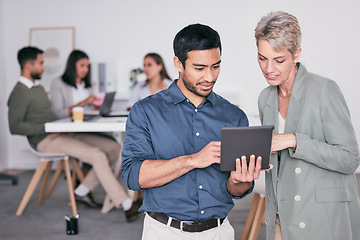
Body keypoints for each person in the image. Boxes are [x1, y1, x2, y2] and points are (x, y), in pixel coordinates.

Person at [121, 24, 267, 239]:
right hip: (164, 232)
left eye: (215, 66)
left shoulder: (234, 116)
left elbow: (238, 190)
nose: (209, 76)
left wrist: (238, 181)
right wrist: (193, 160)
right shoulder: (145, 111)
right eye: (199, 68)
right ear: (178, 64)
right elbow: (133, 176)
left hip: (219, 232)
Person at [255, 11, 360, 240]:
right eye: (262, 58)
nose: (269, 68)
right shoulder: (266, 98)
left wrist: (294, 140)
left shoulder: (324, 90)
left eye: (279, 60)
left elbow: (350, 158)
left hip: (321, 218)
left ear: (296, 54)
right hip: (280, 219)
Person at [8, 46, 141, 222]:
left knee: (113, 148)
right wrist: (48, 128)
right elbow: (14, 126)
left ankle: (81, 191)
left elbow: (51, 115)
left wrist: (59, 125)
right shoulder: (19, 92)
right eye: (41, 63)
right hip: (44, 139)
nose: (43, 67)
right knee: (97, 155)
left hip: (61, 132)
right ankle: (125, 203)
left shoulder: (38, 89)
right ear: (28, 66)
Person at [50, 49, 97, 119]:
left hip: (89, 122)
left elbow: (93, 109)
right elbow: (58, 114)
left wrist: (98, 104)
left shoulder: (89, 83)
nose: (86, 70)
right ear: (73, 65)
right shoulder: (58, 83)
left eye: (87, 66)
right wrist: (85, 102)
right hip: (69, 125)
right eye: (82, 65)